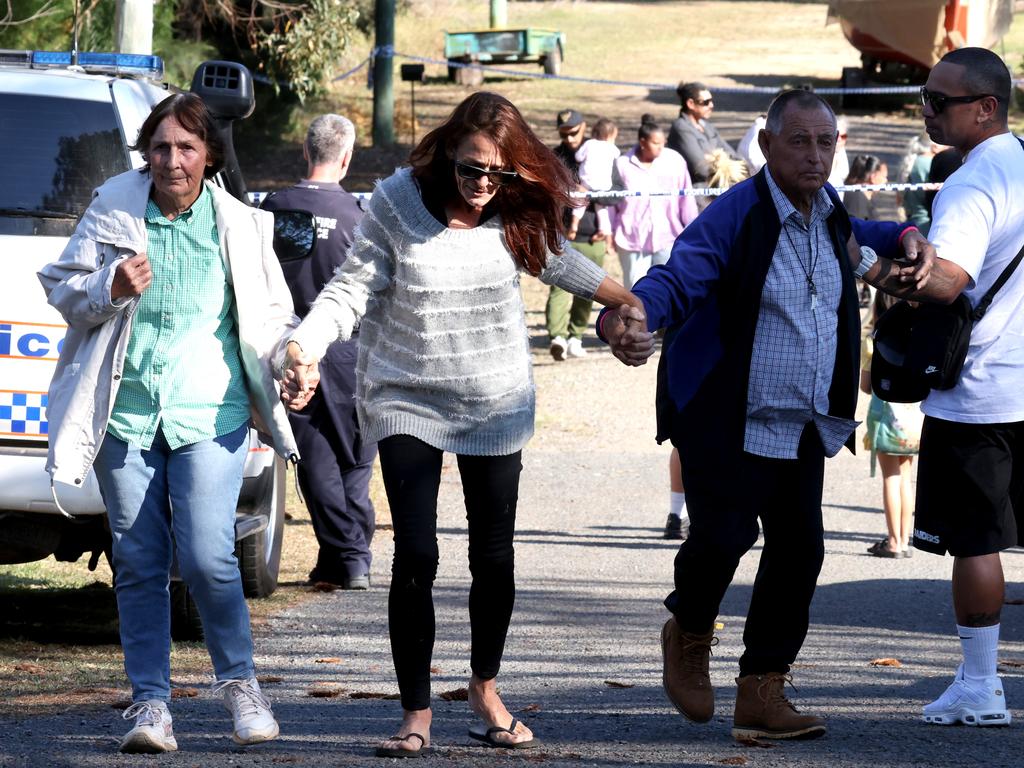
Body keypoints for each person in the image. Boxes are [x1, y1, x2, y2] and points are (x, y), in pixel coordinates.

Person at [280, 92, 650, 757]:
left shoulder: (509, 210)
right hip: (406, 394)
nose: (484, 185)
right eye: (473, 169)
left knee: (493, 554)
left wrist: (624, 299)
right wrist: (304, 345)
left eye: (500, 175)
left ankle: (484, 690)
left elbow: (557, 258)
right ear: (449, 150)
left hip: (493, 397)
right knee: (417, 551)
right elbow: (350, 288)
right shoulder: (398, 202)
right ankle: (416, 712)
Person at [601, 88, 935, 740]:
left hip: (805, 420)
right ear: (766, 146)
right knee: (725, 537)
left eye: (825, 142)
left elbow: (868, 232)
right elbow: (677, 275)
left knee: (800, 552)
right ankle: (690, 631)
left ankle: (762, 691)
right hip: (730, 414)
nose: (815, 156)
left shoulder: (831, 211)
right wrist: (633, 317)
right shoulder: (736, 214)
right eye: (799, 141)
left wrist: (906, 231)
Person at [37, 93, 297, 753]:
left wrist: (293, 357)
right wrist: (109, 287)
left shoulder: (240, 224)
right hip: (124, 417)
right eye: (161, 147)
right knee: (139, 560)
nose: (172, 160)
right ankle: (151, 706)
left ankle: (241, 687)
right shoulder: (117, 207)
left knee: (209, 557)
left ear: (208, 156)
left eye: (186, 147)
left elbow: (269, 321)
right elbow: (63, 287)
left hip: (212, 412)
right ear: (145, 152)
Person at [899, 47, 1024, 728]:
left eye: (938, 101)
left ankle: (981, 686)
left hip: (981, 392)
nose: (926, 111)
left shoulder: (972, 183)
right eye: (924, 96)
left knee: (976, 543)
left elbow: (949, 280)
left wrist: (874, 266)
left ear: (985, 107)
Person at [260, 114, 376, 590]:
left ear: (305, 152)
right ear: (346, 158)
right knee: (355, 457)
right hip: (350, 351)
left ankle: (343, 558)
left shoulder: (272, 208)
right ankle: (351, 556)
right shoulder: (360, 215)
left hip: (289, 348)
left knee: (315, 455)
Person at [860, 292, 922, 558]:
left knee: (891, 478)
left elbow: (865, 386)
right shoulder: (916, 337)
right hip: (913, 421)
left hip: (886, 419)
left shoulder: (872, 341)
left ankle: (894, 541)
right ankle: (906, 540)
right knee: (906, 479)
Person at [546, 108, 608, 361]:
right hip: (562, 235)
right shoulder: (553, 157)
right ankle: (557, 337)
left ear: (583, 127)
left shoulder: (600, 153)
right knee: (558, 290)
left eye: (573, 133)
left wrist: (589, 192)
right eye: (564, 134)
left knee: (591, 289)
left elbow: (617, 191)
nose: (569, 139)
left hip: (593, 233)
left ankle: (576, 336)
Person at [609, 116, 698, 289]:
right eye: (656, 143)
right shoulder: (622, 165)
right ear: (643, 142)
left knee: (668, 289)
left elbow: (686, 198)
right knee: (635, 291)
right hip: (632, 240)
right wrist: (608, 231)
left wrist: (692, 230)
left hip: (669, 237)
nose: (661, 147)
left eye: (663, 142)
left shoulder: (675, 161)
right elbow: (613, 203)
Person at [667, 82, 745, 208]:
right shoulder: (680, 128)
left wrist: (732, 167)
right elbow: (702, 168)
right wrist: (728, 167)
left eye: (711, 100)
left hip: (721, 191)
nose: (711, 105)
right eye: (706, 102)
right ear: (690, 104)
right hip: (698, 197)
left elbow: (735, 156)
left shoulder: (706, 126)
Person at [573, 117, 620, 242]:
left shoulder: (589, 144)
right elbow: (617, 155)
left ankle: (574, 224)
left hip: (586, 181)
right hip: (603, 185)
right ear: (609, 136)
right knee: (602, 208)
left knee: (580, 203)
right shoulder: (612, 148)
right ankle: (603, 230)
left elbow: (578, 157)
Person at [898, 133, 939, 234]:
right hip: (927, 227)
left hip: (910, 225)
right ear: (935, 146)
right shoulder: (929, 164)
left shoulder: (911, 161)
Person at [842, 154, 888, 221]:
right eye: (884, 177)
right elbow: (857, 228)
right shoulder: (857, 198)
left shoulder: (861, 196)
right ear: (873, 177)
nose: (886, 181)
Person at [826, 114, 851, 200]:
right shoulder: (822, 155)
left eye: (843, 136)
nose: (840, 139)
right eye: (837, 135)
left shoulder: (841, 151)